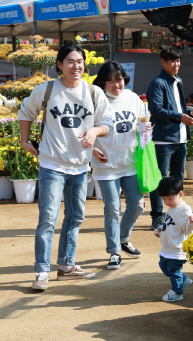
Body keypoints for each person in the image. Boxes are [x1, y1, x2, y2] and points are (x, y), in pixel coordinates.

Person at [18, 43, 113, 291]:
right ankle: (41, 271)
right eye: (70, 61)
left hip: (80, 166)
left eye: (80, 61)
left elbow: (107, 123)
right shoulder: (47, 90)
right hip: (51, 164)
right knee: (48, 219)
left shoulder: (94, 93)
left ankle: (67, 266)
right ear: (60, 65)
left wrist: (94, 133)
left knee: (75, 217)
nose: (76, 66)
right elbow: (26, 112)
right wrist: (24, 141)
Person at [91, 61, 150, 270]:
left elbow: (143, 128)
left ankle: (123, 239)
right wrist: (91, 151)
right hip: (106, 166)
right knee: (112, 209)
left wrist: (146, 129)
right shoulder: (96, 101)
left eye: (120, 79)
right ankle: (114, 251)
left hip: (130, 163)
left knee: (137, 205)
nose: (117, 85)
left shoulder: (134, 99)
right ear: (103, 82)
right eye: (111, 81)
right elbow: (84, 130)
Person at [146, 46, 193, 230]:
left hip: (180, 138)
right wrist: (180, 117)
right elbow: (156, 110)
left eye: (178, 61)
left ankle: (176, 214)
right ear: (163, 62)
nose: (176, 64)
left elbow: (178, 108)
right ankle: (157, 216)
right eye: (172, 61)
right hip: (163, 139)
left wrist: (191, 112)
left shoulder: (178, 81)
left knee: (178, 178)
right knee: (160, 179)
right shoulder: (157, 83)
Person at [153, 176, 193, 302]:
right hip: (168, 246)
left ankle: (177, 292)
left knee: (173, 271)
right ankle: (183, 280)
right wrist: (160, 229)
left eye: (170, 199)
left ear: (180, 194)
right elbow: (169, 223)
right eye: (164, 199)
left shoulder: (184, 209)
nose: (167, 202)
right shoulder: (172, 208)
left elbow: (187, 228)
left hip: (178, 247)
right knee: (164, 266)